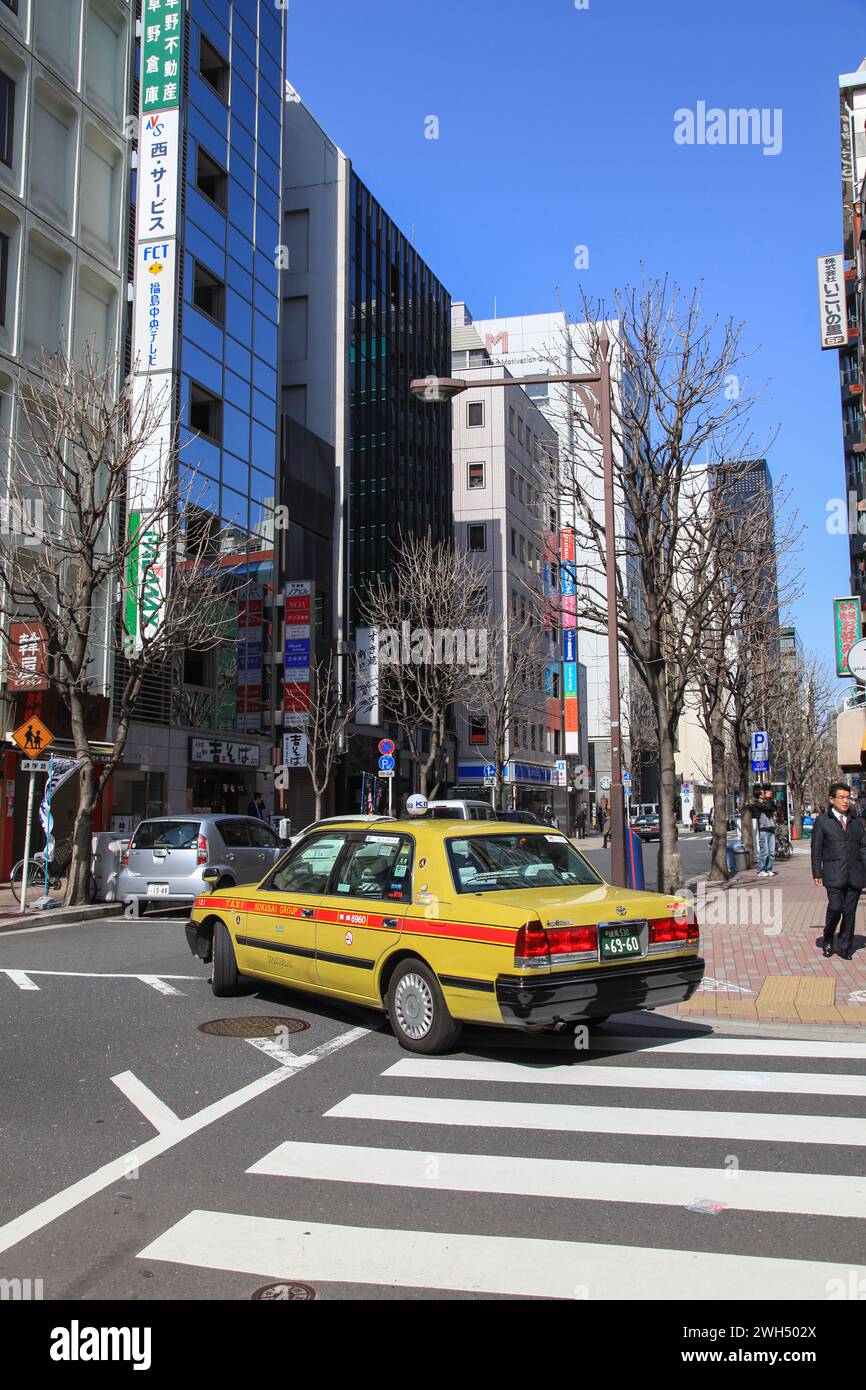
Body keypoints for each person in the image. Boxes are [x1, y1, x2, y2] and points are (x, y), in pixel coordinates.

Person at [811, 781, 865, 960]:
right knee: (836, 908)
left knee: (849, 912)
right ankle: (828, 937)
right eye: (841, 798)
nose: (845, 801)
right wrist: (817, 872)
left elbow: (863, 847)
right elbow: (816, 848)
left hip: (855, 873)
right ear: (831, 799)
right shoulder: (822, 821)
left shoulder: (856, 821)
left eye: (848, 798)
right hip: (834, 873)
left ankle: (845, 946)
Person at [756, 788, 777, 877]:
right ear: (759, 795)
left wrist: (770, 799)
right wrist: (768, 799)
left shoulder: (767, 802)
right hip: (763, 829)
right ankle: (761, 870)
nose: (765, 794)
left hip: (771, 829)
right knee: (765, 852)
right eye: (763, 793)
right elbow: (767, 808)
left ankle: (769, 869)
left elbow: (773, 808)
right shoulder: (757, 804)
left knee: (772, 852)